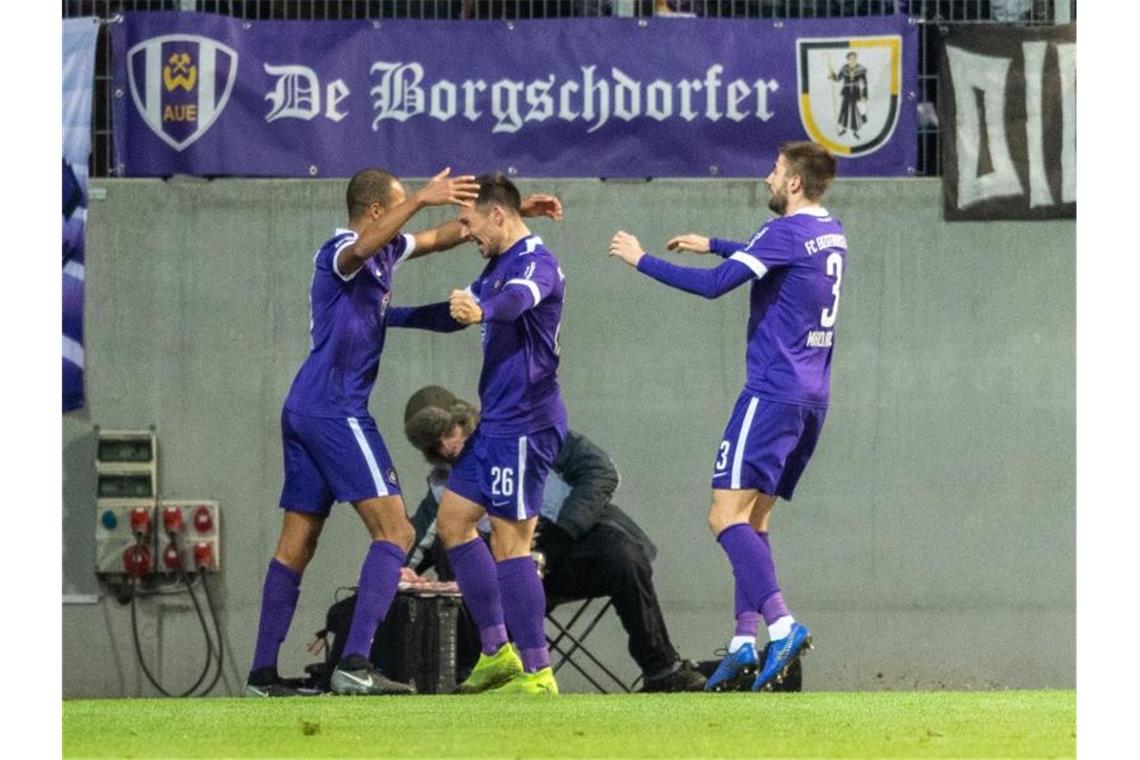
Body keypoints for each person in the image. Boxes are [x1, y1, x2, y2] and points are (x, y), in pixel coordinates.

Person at [244, 167, 561, 697]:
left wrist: (508, 216)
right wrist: (418, 199)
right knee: (398, 533)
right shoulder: (342, 249)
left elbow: (442, 237)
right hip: (333, 409)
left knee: (297, 543)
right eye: (395, 210)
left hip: (306, 407)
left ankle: (260, 675)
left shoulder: (388, 250)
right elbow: (365, 246)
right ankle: (354, 663)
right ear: (376, 212)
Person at [607, 141, 845, 692]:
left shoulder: (782, 232)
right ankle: (742, 641)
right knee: (754, 521)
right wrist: (715, 243)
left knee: (722, 517)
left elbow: (717, 288)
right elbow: (780, 258)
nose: (767, 177)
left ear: (792, 184)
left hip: (771, 392)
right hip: (812, 398)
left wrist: (640, 258)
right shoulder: (829, 231)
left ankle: (781, 625)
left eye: (775, 171)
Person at [384, 173, 568, 695]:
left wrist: (483, 309)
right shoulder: (495, 266)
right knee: (453, 523)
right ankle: (496, 652)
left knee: (512, 545)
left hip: (528, 426)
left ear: (497, 215)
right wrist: (387, 317)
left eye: (469, 222)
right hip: (498, 424)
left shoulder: (536, 263)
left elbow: (517, 302)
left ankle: (538, 673)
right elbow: (451, 316)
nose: (465, 232)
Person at [400, 385, 707, 693]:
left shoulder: (532, 436)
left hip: (566, 548)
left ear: (465, 420)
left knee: (621, 555)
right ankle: (488, 668)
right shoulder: (444, 486)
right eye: (433, 445)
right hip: (510, 578)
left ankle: (661, 669)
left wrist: (562, 534)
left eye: (448, 432)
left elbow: (600, 472)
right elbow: (416, 540)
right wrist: (397, 568)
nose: (445, 447)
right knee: (455, 554)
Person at [828, 51, 868, 139]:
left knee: (855, 111)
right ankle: (844, 129)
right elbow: (838, 78)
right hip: (846, 92)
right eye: (850, 58)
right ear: (848, 59)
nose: (852, 59)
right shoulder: (844, 68)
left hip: (856, 92)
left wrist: (864, 96)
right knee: (844, 110)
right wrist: (832, 75)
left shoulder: (861, 69)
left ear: (856, 58)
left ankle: (855, 131)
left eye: (854, 58)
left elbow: (865, 83)